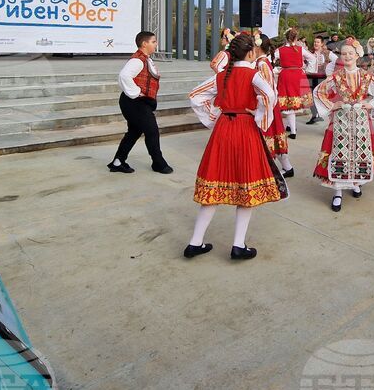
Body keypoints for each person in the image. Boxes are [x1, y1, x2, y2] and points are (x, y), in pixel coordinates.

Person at [185, 33, 288, 261]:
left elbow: (195, 96)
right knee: (245, 184)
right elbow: (270, 96)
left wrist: (214, 117)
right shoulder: (253, 75)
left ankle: (195, 242)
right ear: (251, 52)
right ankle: (238, 245)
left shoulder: (222, 76)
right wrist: (259, 115)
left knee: (214, 182)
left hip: (223, 129)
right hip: (244, 129)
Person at [313, 40, 374, 212]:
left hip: (360, 118)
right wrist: (332, 105)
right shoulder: (336, 76)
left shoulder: (366, 75)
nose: (346, 56)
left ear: (358, 55)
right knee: (340, 150)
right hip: (341, 119)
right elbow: (318, 91)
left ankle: (356, 182)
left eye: (350, 53)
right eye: (343, 54)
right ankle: (337, 191)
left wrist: (371, 104)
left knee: (359, 150)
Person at [108, 31, 173, 174]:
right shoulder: (137, 60)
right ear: (145, 44)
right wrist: (137, 92)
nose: (156, 44)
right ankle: (158, 163)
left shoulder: (145, 59)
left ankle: (117, 162)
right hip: (134, 102)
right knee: (152, 131)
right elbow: (124, 76)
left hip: (137, 102)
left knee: (134, 131)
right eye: (154, 41)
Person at [253, 33, 294, 177]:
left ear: (257, 47)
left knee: (270, 135)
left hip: (267, 105)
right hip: (269, 105)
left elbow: (268, 88)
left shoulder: (262, 63)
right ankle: (287, 167)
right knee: (276, 135)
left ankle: (270, 170)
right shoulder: (262, 62)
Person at [275, 28, 315, 138]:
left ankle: (293, 132)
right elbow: (313, 58)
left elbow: (271, 58)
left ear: (286, 38)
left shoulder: (280, 50)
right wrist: (306, 69)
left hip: (286, 75)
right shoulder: (300, 49)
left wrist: (276, 69)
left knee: (289, 102)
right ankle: (290, 126)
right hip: (298, 75)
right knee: (294, 102)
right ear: (296, 38)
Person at [305, 36, 337, 125]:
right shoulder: (309, 53)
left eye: (318, 42)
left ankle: (325, 115)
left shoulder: (327, 53)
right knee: (310, 97)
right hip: (310, 76)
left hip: (322, 77)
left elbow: (336, 60)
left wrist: (330, 71)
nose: (316, 43)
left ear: (322, 44)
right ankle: (314, 115)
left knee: (321, 96)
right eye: (315, 42)